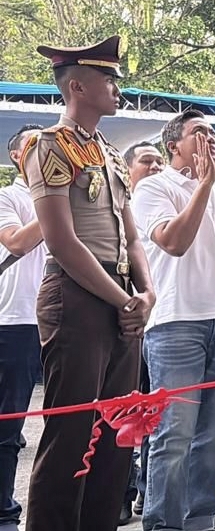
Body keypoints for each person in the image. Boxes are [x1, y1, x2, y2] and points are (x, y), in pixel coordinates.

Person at [22, 35, 157, 531]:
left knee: (118, 433)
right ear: (77, 86)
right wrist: (125, 301)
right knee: (72, 435)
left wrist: (146, 294)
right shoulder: (48, 145)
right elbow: (61, 241)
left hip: (122, 300)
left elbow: (132, 237)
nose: (117, 88)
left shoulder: (111, 153)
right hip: (77, 297)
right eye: (108, 78)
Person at [132, 111, 215, 531]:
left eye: (212, 132)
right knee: (174, 433)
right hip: (176, 322)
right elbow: (173, 242)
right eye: (199, 132)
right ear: (174, 145)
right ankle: (164, 523)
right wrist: (206, 184)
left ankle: (200, 521)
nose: (210, 138)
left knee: (214, 433)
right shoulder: (154, 186)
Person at [0, 124, 47, 531]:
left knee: (71, 421)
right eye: (36, 143)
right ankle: (4, 512)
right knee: (8, 425)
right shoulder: (7, 197)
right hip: (16, 321)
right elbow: (16, 243)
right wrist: (55, 201)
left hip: (66, 319)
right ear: (17, 156)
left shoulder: (73, 196)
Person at [121, 140, 165, 522]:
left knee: (156, 415)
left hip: (164, 323)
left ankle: (149, 491)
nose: (155, 168)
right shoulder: (116, 210)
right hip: (126, 325)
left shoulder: (171, 204)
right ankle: (121, 491)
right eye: (147, 161)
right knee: (126, 414)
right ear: (127, 170)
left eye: (159, 162)